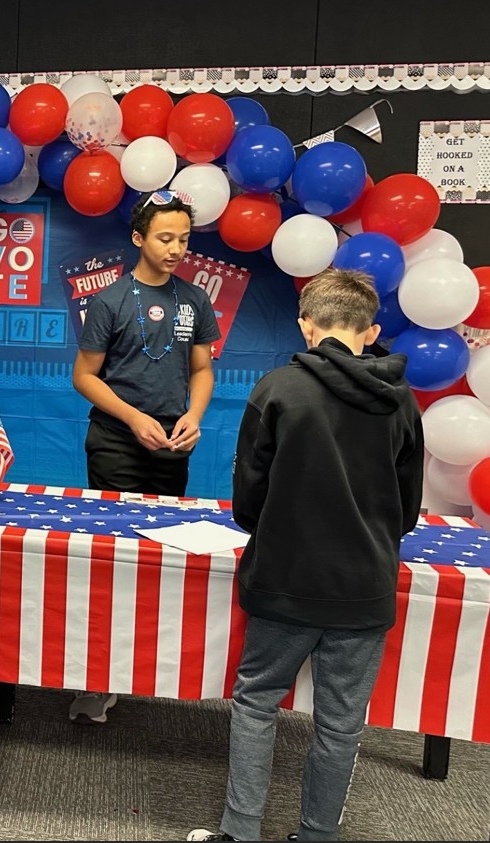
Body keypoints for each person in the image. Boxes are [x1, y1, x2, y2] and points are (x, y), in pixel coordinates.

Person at [188, 268, 424, 842]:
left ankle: (240, 831)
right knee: (341, 724)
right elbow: (407, 509)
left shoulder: (277, 389)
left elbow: (248, 497)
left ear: (306, 326)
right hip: (364, 584)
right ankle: (318, 834)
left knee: (256, 702)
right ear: (371, 332)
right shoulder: (402, 403)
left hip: (284, 576)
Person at [70, 189, 221, 724]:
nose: (176, 248)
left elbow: (201, 370)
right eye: (165, 238)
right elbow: (84, 376)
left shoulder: (194, 300)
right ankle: (98, 678)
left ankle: (146, 668)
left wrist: (193, 417)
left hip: (171, 447)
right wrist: (134, 418)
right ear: (138, 239)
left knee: (162, 557)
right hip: (116, 443)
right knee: (115, 560)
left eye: (184, 238)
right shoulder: (109, 300)